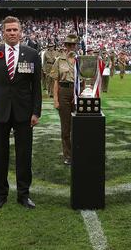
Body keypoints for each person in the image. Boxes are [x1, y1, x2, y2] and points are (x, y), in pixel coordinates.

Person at [0, 16, 42, 210]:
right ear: (3, 32)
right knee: (0, 155)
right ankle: (0, 194)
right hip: (0, 113)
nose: (12, 33)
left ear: (21, 32)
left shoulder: (32, 54)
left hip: (24, 113)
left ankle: (24, 195)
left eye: (15, 30)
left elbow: (36, 87)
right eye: (8, 30)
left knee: (24, 155)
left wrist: (36, 112)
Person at [51, 34, 78, 166]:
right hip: (64, 92)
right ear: (65, 46)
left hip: (77, 92)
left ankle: (78, 152)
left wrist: (80, 95)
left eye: (73, 45)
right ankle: (68, 155)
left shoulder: (81, 60)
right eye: (69, 45)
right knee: (66, 127)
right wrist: (56, 99)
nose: (71, 47)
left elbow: (84, 80)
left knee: (78, 126)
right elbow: (55, 81)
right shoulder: (59, 60)